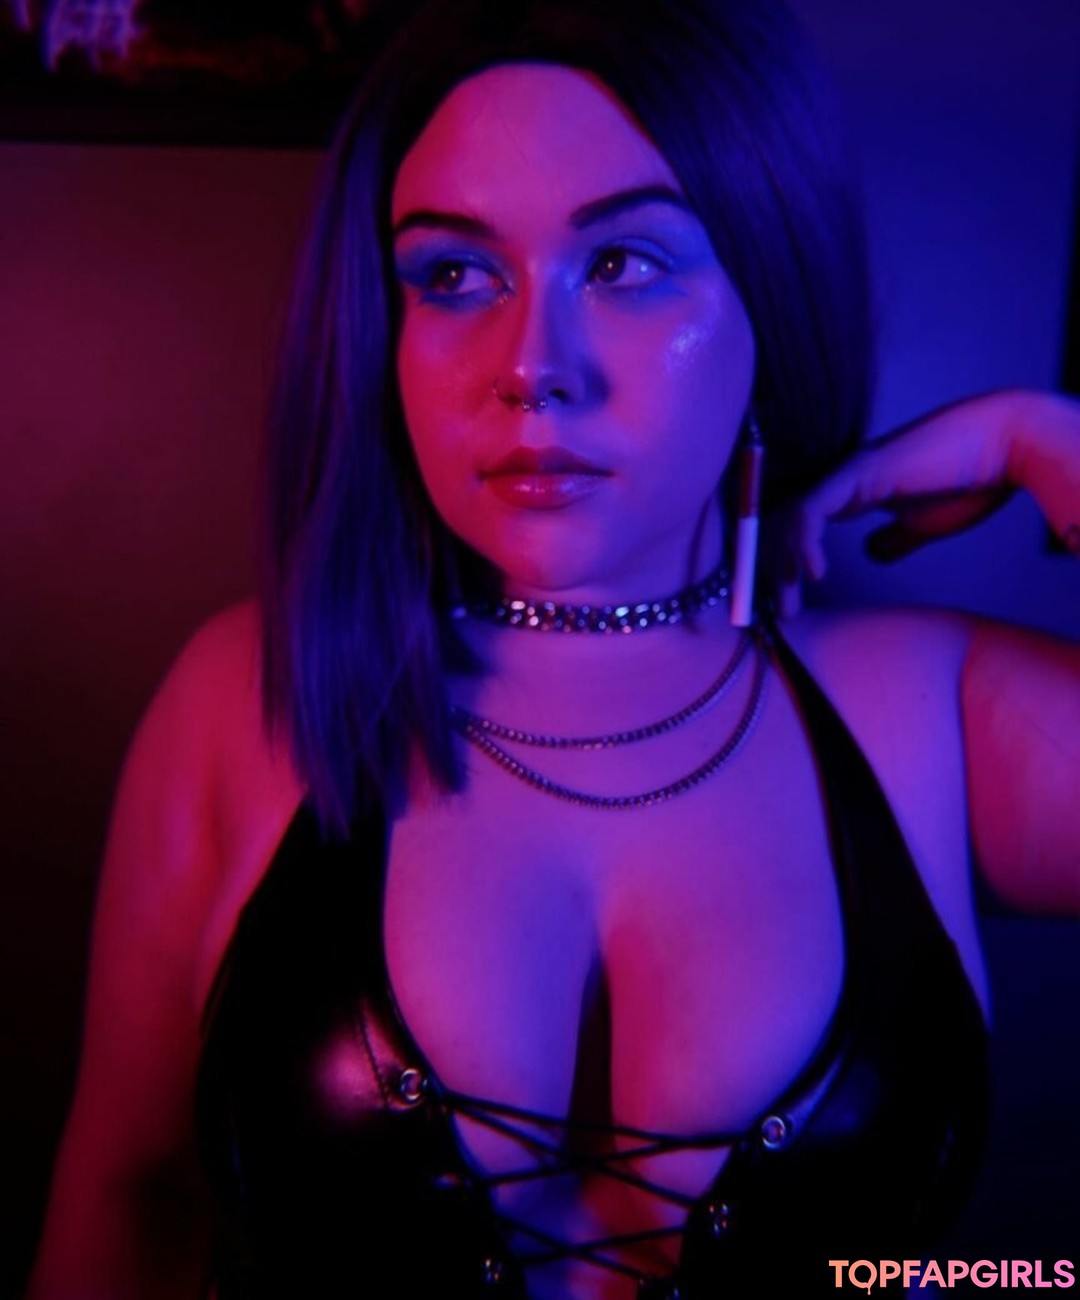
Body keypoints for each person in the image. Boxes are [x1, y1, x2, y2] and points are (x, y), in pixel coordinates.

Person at [27, 1, 1080, 1297]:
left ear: (772, 293)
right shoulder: (255, 697)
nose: (533, 367)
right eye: (453, 275)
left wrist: (1052, 442)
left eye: (626, 262)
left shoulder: (929, 710)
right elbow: (124, 1205)